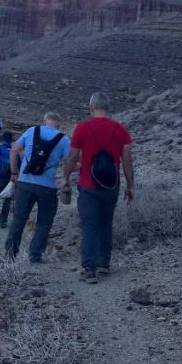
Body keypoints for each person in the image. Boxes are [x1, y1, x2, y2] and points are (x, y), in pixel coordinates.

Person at [61, 92, 134, 284]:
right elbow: (127, 161)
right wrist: (130, 186)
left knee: (89, 226)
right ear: (108, 108)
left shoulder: (83, 127)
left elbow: (73, 157)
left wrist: (65, 177)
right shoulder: (121, 129)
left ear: (91, 107)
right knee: (106, 224)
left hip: (88, 185)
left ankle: (89, 269)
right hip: (111, 186)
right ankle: (104, 263)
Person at [4, 112, 71, 263]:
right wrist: (65, 178)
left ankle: (10, 254)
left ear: (45, 121)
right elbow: (70, 161)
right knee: (44, 222)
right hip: (48, 187)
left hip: (25, 183)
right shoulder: (64, 139)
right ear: (59, 124)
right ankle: (35, 254)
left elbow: (14, 150)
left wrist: (14, 173)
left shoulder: (32, 131)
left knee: (19, 219)